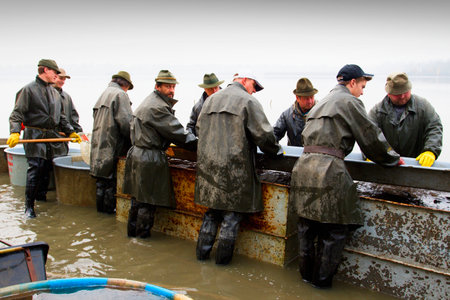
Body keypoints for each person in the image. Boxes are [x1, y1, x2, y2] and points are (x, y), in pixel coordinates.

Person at [290, 64, 403, 288]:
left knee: (307, 227)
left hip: (302, 168)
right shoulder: (350, 102)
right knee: (334, 231)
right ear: (352, 83)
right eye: (362, 86)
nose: (362, 91)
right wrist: (391, 157)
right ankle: (321, 286)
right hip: (328, 171)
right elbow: (370, 137)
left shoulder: (319, 103)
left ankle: (304, 282)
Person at [195, 72, 282, 265]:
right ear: (244, 80)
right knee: (231, 217)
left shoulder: (210, 100)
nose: (254, 91)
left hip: (209, 169)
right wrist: (277, 151)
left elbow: (199, 129)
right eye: (254, 86)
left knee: (211, 213)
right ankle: (221, 266)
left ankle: (200, 261)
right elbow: (265, 137)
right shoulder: (248, 102)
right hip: (235, 171)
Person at [123, 70, 197, 238]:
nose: (171, 90)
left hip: (137, 154)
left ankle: (131, 239)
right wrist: (202, 144)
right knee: (147, 203)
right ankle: (142, 241)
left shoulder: (149, 101)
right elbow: (179, 134)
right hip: (148, 158)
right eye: (167, 87)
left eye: (173, 87)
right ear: (157, 86)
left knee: (137, 200)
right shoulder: (158, 107)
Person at [7, 59, 81, 218]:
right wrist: (14, 132)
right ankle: (29, 206)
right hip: (34, 135)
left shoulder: (55, 92)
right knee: (35, 169)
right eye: (55, 72)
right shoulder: (28, 90)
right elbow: (16, 114)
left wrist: (71, 132)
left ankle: (42, 199)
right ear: (45, 70)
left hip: (51, 136)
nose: (57, 75)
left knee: (46, 169)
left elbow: (61, 117)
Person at [368, 72, 443, 167]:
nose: (402, 96)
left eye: (405, 92)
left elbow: (434, 127)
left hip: (417, 163)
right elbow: (367, 135)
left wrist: (431, 150)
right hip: (386, 165)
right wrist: (370, 153)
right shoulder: (377, 111)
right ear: (389, 93)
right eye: (398, 94)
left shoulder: (424, 106)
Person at [90, 71, 133, 214]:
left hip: (98, 148)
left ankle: (100, 218)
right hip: (113, 148)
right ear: (125, 85)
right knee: (110, 185)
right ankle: (108, 218)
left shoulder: (103, 94)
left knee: (101, 183)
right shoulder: (121, 95)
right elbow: (127, 125)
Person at [273, 78, 318, 146]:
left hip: (315, 155)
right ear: (297, 98)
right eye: (306, 98)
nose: (310, 101)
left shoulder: (322, 113)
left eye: (311, 97)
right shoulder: (287, 115)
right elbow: (275, 134)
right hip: (294, 155)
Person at [53, 68, 84, 154]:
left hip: (64, 140)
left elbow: (73, 117)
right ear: (54, 77)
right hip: (50, 139)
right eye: (60, 78)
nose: (62, 81)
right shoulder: (47, 95)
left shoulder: (67, 97)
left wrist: (79, 133)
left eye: (64, 79)